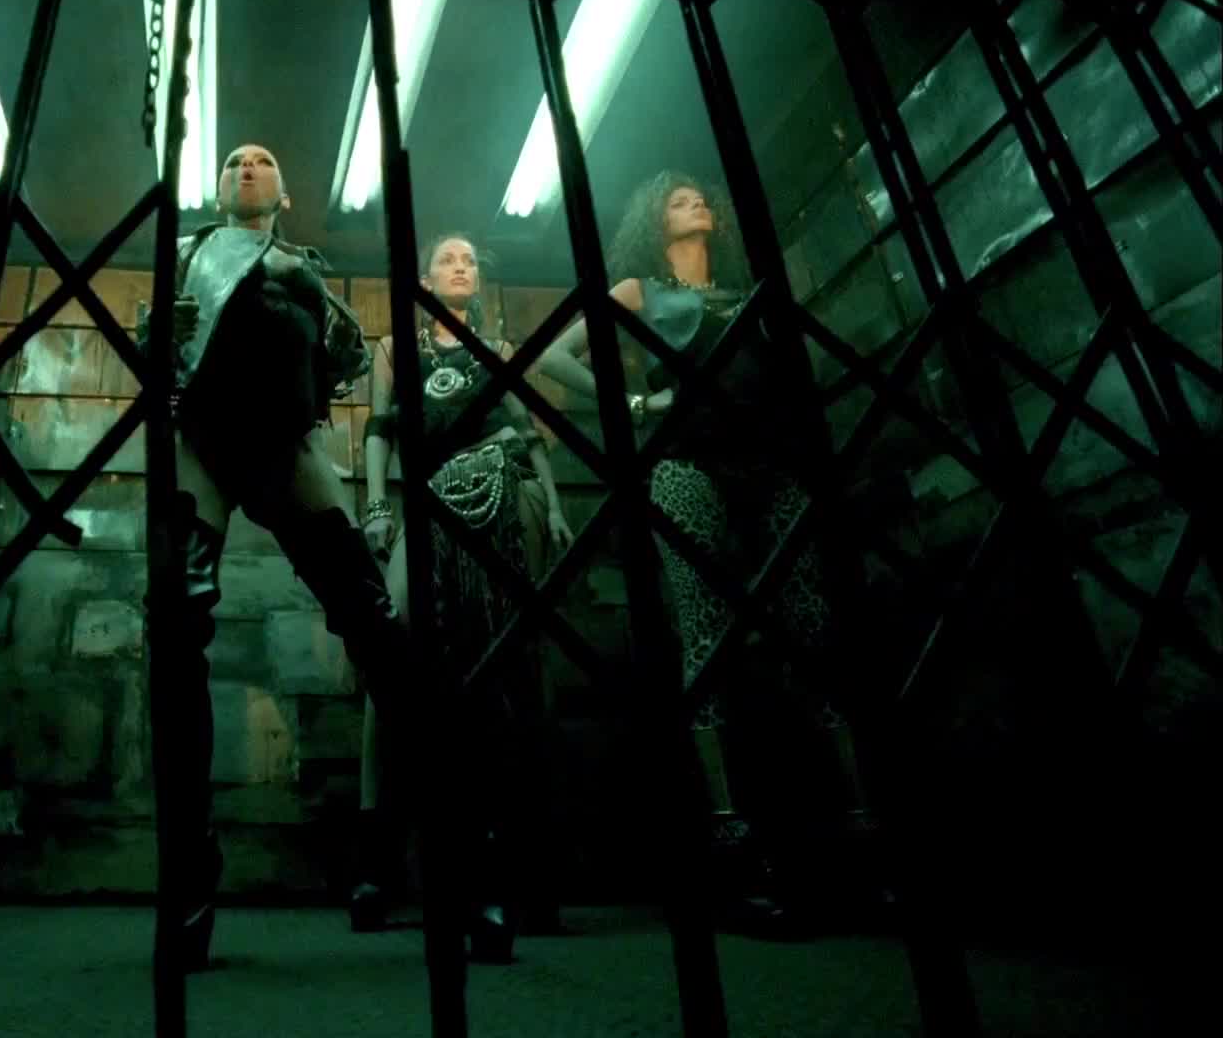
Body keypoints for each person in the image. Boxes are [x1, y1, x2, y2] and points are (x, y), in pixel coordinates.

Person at [530, 170, 885, 933]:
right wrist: (638, 402)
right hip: (688, 465)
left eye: (700, 196)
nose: (696, 202)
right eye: (677, 197)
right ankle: (732, 846)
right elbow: (555, 358)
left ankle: (861, 837)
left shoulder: (746, 292)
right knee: (706, 640)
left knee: (815, 634)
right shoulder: (640, 289)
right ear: (654, 220)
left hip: (773, 465)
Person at [137, 143, 431, 972]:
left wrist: (310, 299)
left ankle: (449, 844)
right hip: (202, 434)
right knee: (176, 621)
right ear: (217, 185)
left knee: (376, 623)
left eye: (263, 160)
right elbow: (153, 348)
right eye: (233, 159)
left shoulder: (305, 265)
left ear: (285, 190)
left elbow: (345, 361)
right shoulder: (188, 251)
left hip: (287, 441)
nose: (246, 166)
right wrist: (159, 333)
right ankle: (188, 869)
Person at [350, 233, 574, 962]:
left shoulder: (497, 349)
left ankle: (523, 861)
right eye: (448, 258)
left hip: (504, 496)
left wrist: (552, 500)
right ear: (423, 279)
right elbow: (379, 430)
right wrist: (375, 507)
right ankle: (380, 854)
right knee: (396, 649)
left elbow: (525, 433)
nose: (460, 266)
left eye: (471, 260)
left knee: (513, 659)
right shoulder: (395, 349)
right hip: (425, 504)